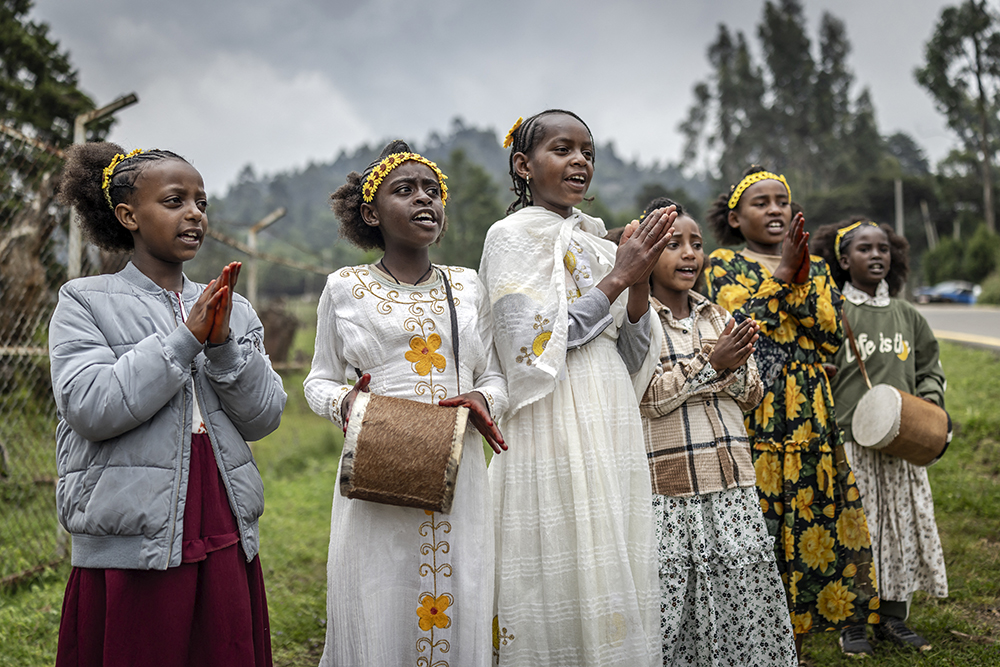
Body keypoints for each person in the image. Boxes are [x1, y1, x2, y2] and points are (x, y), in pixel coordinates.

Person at [51, 143, 286, 667]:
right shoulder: (85, 300)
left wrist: (223, 345)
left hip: (219, 511)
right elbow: (90, 406)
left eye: (201, 202)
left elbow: (264, 416)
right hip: (134, 529)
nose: (195, 214)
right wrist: (185, 339)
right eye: (175, 200)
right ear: (128, 215)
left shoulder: (234, 307)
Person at [303, 140, 508, 666]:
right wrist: (348, 403)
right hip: (378, 468)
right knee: (380, 592)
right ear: (371, 213)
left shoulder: (467, 286)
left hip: (459, 470)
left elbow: (495, 375)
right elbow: (318, 381)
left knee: (461, 586)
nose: (425, 199)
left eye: (432, 190)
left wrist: (484, 398)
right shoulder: (343, 287)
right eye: (405, 190)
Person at [480, 110, 673, 666]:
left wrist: (635, 288)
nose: (580, 161)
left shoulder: (600, 244)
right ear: (524, 165)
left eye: (587, 151)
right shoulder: (511, 237)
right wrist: (620, 279)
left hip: (606, 411)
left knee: (608, 544)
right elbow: (529, 346)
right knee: (556, 552)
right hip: (550, 412)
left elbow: (632, 352)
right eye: (562, 149)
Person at [703, 167, 879, 658]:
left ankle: (797, 639)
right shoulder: (721, 265)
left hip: (810, 416)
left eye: (782, 200)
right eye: (761, 203)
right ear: (736, 219)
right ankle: (756, 635)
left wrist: (797, 279)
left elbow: (828, 335)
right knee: (759, 522)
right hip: (754, 411)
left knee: (810, 521)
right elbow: (738, 325)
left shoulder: (819, 267)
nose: (776, 208)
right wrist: (783, 276)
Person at [638, 198, 797, 666]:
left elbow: (752, 394)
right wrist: (713, 364)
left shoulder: (717, 316)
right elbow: (648, 398)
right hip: (671, 489)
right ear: (646, 252)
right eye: (672, 244)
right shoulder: (638, 319)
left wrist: (727, 366)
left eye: (695, 244)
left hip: (731, 483)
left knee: (740, 596)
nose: (689, 254)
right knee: (676, 602)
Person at [814, 219, 947, 652]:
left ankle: (893, 617)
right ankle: (851, 621)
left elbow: (929, 367)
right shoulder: (835, 312)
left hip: (903, 443)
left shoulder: (908, 315)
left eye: (884, 249)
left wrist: (930, 405)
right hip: (852, 445)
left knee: (899, 527)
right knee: (857, 529)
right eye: (864, 249)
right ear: (843, 260)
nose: (876, 256)